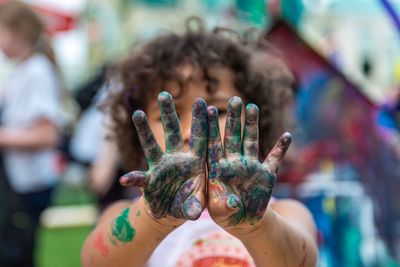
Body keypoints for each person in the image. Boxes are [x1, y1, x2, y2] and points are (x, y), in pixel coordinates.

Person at [82, 20, 318, 267]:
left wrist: (256, 226)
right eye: (168, 114)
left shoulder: (285, 214)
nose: (191, 131)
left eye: (221, 110)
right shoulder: (128, 216)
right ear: (137, 131)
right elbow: (95, 262)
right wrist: (154, 218)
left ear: (258, 121)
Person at [0, 2, 64, 266]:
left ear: (17, 33)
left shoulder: (37, 71)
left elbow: (48, 135)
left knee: (18, 252)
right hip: (19, 183)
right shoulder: (23, 71)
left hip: (28, 185)